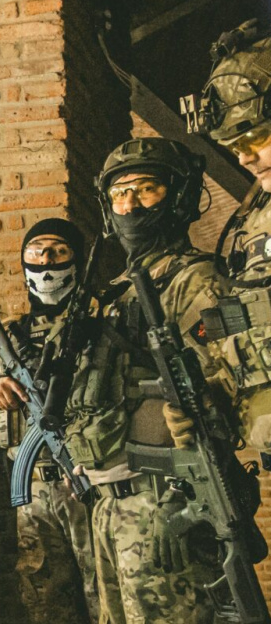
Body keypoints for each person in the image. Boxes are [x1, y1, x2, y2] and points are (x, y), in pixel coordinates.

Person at [63, 138, 227, 622]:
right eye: (120, 194)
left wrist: (199, 411)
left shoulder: (194, 280)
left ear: (176, 196)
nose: (130, 205)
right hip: (110, 505)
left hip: (165, 501)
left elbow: (223, 381)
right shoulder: (118, 291)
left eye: (146, 189)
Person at [0, 218, 97, 623]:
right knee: (46, 607)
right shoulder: (9, 343)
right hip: (33, 496)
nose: (47, 262)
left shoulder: (101, 328)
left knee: (108, 599)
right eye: (36, 252)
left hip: (94, 485)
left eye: (58, 251)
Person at [183, 18, 271, 460]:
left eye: (256, 135)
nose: (246, 157)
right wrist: (211, 389)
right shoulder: (251, 219)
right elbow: (241, 318)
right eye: (235, 146)